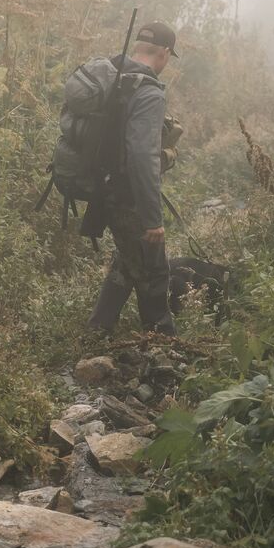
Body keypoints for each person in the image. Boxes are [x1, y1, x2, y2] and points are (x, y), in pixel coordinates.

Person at [85, 19, 178, 336]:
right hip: (128, 196)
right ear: (164, 53)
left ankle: (99, 328)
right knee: (154, 270)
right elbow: (142, 156)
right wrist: (153, 219)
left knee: (128, 257)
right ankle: (161, 344)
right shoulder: (149, 92)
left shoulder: (114, 76)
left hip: (103, 187)